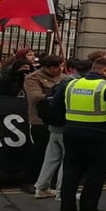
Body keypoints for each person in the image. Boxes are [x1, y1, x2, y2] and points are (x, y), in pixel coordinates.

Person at [50, 56, 106, 211]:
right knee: (95, 173)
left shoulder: (70, 84)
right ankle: (88, 210)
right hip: (100, 133)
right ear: (104, 71)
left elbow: (54, 107)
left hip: (72, 131)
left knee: (71, 171)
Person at [34, 59, 90, 202]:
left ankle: (41, 188)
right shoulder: (80, 85)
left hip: (54, 126)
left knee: (51, 159)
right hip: (68, 126)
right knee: (68, 161)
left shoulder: (63, 82)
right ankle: (61, 192)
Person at [22, 55, 65, 196]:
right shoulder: (33, 78)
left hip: (57, 120)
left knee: (55, 155)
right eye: (56, 67)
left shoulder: (64, 78)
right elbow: (35, 97)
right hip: (39, 119)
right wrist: (55, 94)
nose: (59, 70)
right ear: (46, 68)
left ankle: (50, 183)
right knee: (38, 152)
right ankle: (30, 181)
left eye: (61, 66)